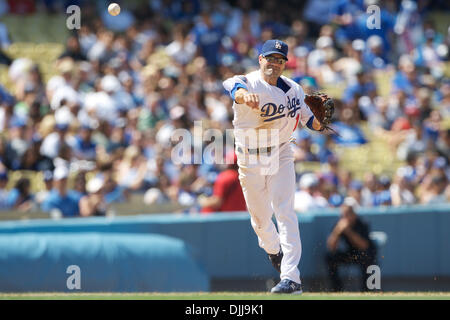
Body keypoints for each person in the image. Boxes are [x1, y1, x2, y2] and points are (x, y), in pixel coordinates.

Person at [222, 39, 329, 294]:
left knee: (285, 212)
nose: (274, 63)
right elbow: (231, 86)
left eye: (279, 60)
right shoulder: (248, 81)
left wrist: (320, 123)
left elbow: (309, 121)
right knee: (260, 220)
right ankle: (274, 250)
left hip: (281, 153)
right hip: (250, 158)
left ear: (285, 64)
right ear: (260, 59)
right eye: (269, 58)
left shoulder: (294, 89)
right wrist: (242, 95)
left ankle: (292, 278)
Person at [325, 203, 377, 292]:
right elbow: (331, 247)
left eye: (347, 214)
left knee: (367, 259)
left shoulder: (362, 223)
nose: (344, 217)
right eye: (343, 215)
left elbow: (364, 246)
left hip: (365, 253)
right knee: (329, 257)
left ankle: (367, 291)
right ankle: (337, 290)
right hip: (351, 253)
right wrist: (337, 231)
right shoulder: (339, 225)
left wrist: (348, 231)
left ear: (353, 214)